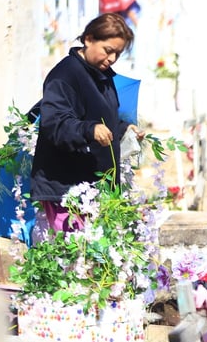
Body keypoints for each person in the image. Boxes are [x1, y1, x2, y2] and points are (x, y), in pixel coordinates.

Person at [31, 12, 144, 233]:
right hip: (66, 189)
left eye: (117, 54)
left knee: (96, 261)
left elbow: (101, 117)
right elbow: (55, 124)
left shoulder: (102, 77)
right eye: (108, 50)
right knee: (75, 261)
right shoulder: (65, 75)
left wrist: (123, 129)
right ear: (89, 39)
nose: (112, 59)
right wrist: (89, 129)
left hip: (95, 186)